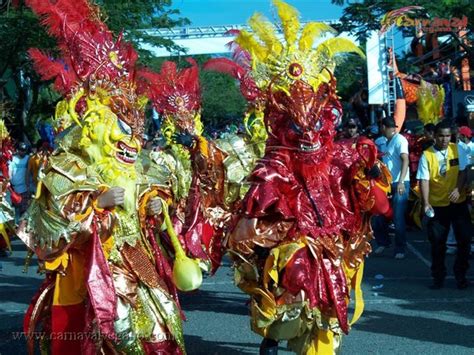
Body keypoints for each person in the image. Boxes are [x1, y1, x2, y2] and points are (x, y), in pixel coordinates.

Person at [417, 120, 472, 289]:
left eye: (448, 136)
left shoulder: (458, 149)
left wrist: (458, 189)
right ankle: (438, 277)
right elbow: (424, 180)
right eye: (441, 136)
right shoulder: (427, 155)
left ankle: (461, 275)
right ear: (435, 136)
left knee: (464, 239)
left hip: (458, 202)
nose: (445, 139)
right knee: (437, 244)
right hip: (437, 205)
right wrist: (426, 203)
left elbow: (463, 171)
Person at [373, 117, 410, 259]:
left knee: (398, 217)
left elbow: (405, 159)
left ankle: (400, 248)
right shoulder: (385, 141)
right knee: (378, 214)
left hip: (400, 183)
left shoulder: (400, 140)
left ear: (384, 127)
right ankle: (384, 242)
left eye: (382, 127)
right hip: (386, 184)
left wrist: (401, 182)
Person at [9, 142, 30, 223]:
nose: (23, 152)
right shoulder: (12, 159)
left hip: (24, 188)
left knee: (24, 210)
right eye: (21, 150)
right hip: (15, 189)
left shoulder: (28, 158)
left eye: (25, 150)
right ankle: (16, 228)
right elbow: (9, 173)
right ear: (18, 150)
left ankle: (22, 230)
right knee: (16, 210)